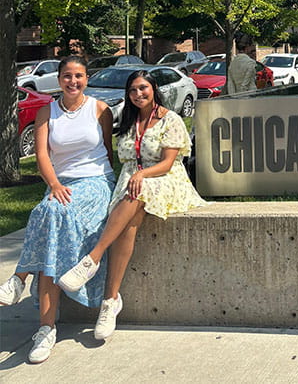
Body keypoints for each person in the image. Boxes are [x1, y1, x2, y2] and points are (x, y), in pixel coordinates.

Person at [58, 70, 206, 341]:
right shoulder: (127, 120)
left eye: (143, 88)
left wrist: (141, 175)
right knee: (129, 223)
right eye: (133, 90)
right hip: (131, 181)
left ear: (154, 89)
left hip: (163, 178)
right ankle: (110, 301)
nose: (139, 94)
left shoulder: (169, 119)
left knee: (136, 195)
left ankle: (93, 258)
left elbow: (167, 162)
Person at [0, 56, 115, 363]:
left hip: (95, 183)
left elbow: (107, 152)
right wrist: (53, 185)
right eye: (67, 76)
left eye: (78, 75)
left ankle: (20, 279)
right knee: (50, 215)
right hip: (60, 183)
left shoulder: (100, 110)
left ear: (86, 79)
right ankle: (45, 329)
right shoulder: (45, 112)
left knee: (50, 214)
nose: (72, 81)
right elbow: (41, 155)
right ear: (59, 79)